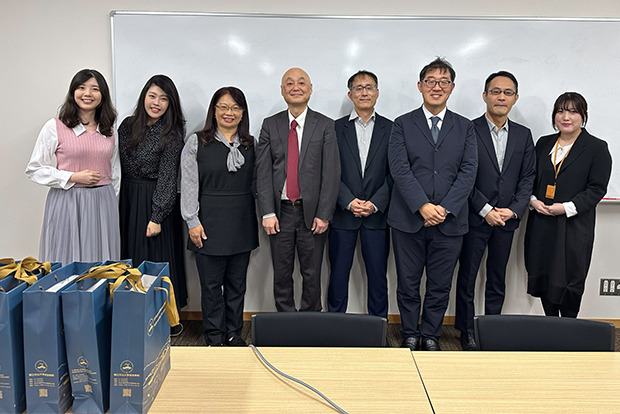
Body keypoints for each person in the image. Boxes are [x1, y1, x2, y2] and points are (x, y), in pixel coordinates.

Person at [388, 58, 477, 351]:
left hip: (450, 221)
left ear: (451, 87)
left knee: (440, 285)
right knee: (408, 283)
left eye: (443, 82)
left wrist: (445, 208)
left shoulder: (465, 127)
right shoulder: (402, 124)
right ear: (420, 86)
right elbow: (399, 169)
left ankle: (431, 336)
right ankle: (410, 333)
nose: (436, 87)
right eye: (430, 81)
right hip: (408, 219)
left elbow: (469, 171)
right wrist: (422, 206)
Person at [455, 71, 536, 350]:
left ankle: (491, 328)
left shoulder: (524, 135)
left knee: (497, 277)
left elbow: (528, 177)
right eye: (495, 91)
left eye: (507, 92)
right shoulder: (468, 129)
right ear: (485, 96)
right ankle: (466, 331)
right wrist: (485, 209)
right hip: (475, 217)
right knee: (467, 277)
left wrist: (512, 210)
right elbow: (462, 175)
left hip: (506, 220)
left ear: (515, 98)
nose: (501, 97)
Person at [256, 67, 340, 312]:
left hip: (312, 213)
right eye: (289, 83)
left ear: (310, 89)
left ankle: (310, 322)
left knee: (312, 273)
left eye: (301, 83)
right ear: (282, 90)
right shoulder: (270, 125)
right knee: (281, 273)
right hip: (279, 212)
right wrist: (267, 212)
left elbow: (331, 173)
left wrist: (324, 214)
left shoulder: (325, 125)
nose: (296, 87)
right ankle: (285, 323)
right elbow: (262, 172)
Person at [181, 87, 258, 346]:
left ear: (243, 113)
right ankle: (214, 336)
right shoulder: (197, 142)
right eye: (223, 106)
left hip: (242, 223)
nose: (229, 112)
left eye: (235, 108)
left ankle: (234, 333)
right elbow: (189, 185)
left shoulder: (250, 144)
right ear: (213, 110)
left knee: (237, 285)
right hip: (207, 224)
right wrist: (192, 221)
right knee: (211, 286)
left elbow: (258, 184)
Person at [525, 92, 611, 318]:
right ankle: (551, 327)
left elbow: (597, 189)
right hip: (542, 222)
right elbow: (529, 178)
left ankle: (569, 331)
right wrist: (533, 201)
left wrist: (566, 207)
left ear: (583, 115)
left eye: (573, 112)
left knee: (569, 281)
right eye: (561, 111)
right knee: (543, 277)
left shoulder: (597, 148)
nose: (566, 117)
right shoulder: (544, 143)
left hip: (573, 226)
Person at [26, 69, 120, 264]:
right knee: (66, 259)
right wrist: (72, 177)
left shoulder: (110, 129)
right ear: (73, 92)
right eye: (81, 88)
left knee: (101, 262)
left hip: (103, 204)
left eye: (95, 89)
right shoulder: (55, 126)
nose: (88, 94)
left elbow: (115, 171)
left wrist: (111, 202)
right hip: (67, 202)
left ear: (103, 95)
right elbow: (35, 168)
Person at [118, 74, 188, 320]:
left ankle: (163, 320)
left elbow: (168, 176)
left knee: (156, 259)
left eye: (164, 98)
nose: (156, 103)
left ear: (171, 103)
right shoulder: (127, 126)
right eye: (152, 96)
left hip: (155, 201)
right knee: (129, 258)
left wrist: (157, 216)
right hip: (127, 199)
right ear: (144, 97)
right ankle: (131, 318)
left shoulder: (172, 133)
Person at [327, 70, 392, 318]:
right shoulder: (334, 128)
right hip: (343, 216)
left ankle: (379, 325)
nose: (364, 92)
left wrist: (375, 203)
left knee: (378, 276)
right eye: (358, 88)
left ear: (377, 92)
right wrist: (347, 200)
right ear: (350, 94)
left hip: (377, 217)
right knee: (338, 275)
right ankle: (335, 325)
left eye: (369, 87)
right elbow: (330, 170)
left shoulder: (392, 128)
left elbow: (395, 173)